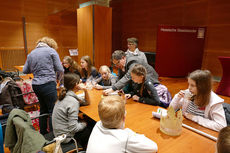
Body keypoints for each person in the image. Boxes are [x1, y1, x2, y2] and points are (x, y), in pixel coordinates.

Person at [86, 95, 158, 153]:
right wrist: (129, 133)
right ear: (124, 118)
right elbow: (153, 147)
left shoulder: (98, 124)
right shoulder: (125, 138)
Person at [23, 36, 64, 135]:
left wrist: (37, 68)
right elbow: (60, 69)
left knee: (43, 109)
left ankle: (43, 133)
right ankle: (53, 136)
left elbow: (25, 71)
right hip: (48, 83)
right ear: (51, 44)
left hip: (36, 85)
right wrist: (59, 80)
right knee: (52, 111)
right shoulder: (51, 51)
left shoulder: (31, 54)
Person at [52, 73, 92, 148]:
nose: (82, 83)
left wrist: (85, 90)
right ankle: (84, 148)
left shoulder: (66, 94)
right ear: (76, 85)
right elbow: (74, 129)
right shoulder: (72, 101)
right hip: (65, 137)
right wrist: (85, 124)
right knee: (91, 127)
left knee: (84, 119)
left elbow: (87, 102)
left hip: (59, 131)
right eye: (80, 82)